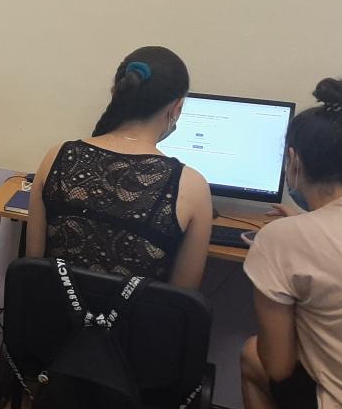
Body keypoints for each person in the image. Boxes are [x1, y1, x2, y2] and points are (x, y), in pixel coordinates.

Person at [25, 46, 213, 288]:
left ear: (116, 92)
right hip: (137, 314)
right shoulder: (192, 186)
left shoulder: (58, 156)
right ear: (177, 107)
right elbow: (181, 298)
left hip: (54, 310)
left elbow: (33, 265)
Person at [240, 78, 342, 409]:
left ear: (293, 160)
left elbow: (278, 368)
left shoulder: (281, 239)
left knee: (252, 354)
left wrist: (284, 239)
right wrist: (305, 223)